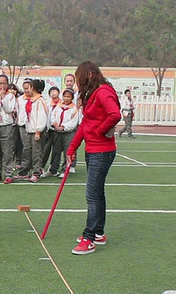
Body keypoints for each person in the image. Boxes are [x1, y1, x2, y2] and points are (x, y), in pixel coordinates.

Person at [67, 61, 122, 255]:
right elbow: (84, 124)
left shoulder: (103, 92)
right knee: (97, 193)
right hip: (92, 150)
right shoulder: (91, 95)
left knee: (92, 195)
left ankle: (89, 237)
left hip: (102, 151)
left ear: (90, 75)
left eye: (80, 79)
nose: (78, 84)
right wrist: (72, 148)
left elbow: (115, 114)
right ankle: (98, 232)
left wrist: (100, 130)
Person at [43, 88, 80, 178]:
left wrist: (63, 127)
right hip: (57, 132)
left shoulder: (74, 109)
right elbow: (53, 116)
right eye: (65, 96)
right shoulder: (58, 106)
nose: (66, 98)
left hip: (68, 133)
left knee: (67, 152)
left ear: (72, 98)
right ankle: (53, 169)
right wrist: (55, 125)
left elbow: (73, 122)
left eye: (68, 97)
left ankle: (65, 169)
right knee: (56, 151)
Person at [18, 79, 48, 183]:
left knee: (36, 153)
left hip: (36, 132)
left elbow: (41, 118)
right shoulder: (32, 100)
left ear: (33, 88)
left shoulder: (40, 101)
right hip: (29, 130)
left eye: (29, 87)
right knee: (27, 152)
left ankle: (36, 173)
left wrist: (38, 131)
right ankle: (24, 172)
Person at [0, 75, 16, 184]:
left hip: (6, 125)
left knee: (7, 151)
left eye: (4, 83)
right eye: (0, 83)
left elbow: (9, 109)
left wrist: (3, 97)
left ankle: (8, 174)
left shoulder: (10, 96)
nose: (2, 85)